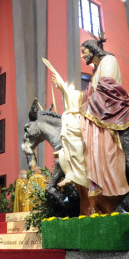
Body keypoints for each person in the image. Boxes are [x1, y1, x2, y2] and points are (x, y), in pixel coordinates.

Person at [80, 37, 129, 197]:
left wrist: (88, 104)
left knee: (92, 126)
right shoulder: (96, 70)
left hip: (110, 108)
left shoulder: (109, 60)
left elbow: (109, 88)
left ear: (92, 49)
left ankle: (110, 179)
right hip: (100, 108)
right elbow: (87, 95)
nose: (82, 56)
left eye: (84, 51)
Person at [45, 57, 87, 188]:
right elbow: (64, 91)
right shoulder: (70, 95)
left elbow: (66, 90)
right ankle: (69, 173)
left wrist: (59, 81)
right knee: (66, 147)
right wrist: (59, 85)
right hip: (69, 122)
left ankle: (74, 175)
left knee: (74, 147)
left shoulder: (76, 94)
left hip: (74, 122)